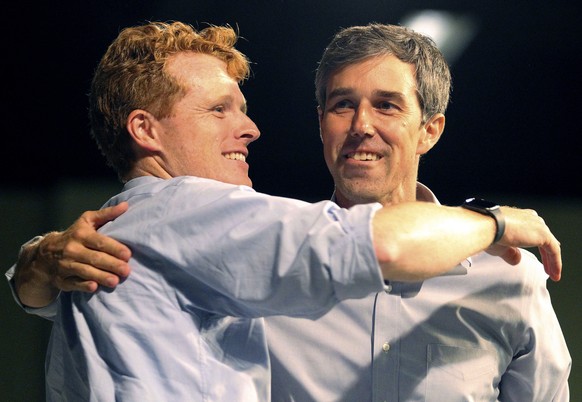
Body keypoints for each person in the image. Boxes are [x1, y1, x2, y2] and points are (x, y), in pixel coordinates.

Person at [6, 22, 568, 401]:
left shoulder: (510, 277)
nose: (361, 125)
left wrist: (32, 269)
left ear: (430, 129)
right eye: (341, 105)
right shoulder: (253, 244)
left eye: (387, 105)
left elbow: (119, 299)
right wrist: (494, 222)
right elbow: (386, 245)